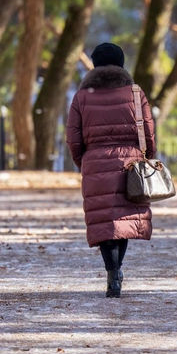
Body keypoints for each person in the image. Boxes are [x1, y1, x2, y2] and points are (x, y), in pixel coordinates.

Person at [66, 42, 156, 298]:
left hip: (95, 163)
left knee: (105, 223)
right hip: (130, 163)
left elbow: (73, 137)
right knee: (123, 221)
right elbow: (148, 130)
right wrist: (148, 157)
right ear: (121, 63)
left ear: (94, 64)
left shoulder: (82, 96)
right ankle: (117, 271)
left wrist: (82, 161)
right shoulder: (135, 93)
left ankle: (112, 271)